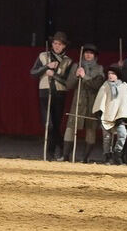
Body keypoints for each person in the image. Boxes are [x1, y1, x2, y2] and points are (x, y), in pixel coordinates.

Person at [30, 31, 75, 161]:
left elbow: (67, 81)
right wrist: (46, 67)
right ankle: (51, 152)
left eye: (60, 44)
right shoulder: (43, 56)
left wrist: (54, 75)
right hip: (45, 92)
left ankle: (59, 150)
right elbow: (33, 73)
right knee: (48, 124)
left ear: (64, 46)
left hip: (59, 94)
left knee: (56, 125)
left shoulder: (68, 61)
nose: (56, 46)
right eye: (55, 43)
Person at [63, 43, 105, 163]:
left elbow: (97, 86)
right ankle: (65, 157)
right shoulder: (77, 66)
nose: (88, 55)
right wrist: (76, 76)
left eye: (91, 53)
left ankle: (85, 158)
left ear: (95, 56)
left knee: (90, 130)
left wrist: (84, 76)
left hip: (92, 103)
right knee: (70, 128)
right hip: (78, 103)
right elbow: (68, 85)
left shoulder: (99, 68)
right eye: (86, 52)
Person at [92, 66, 127, 165]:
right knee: (107, 138)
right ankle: (107, 156)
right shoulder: (105, 85)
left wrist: (121, 116)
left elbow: (125, 102)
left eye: (113, 74)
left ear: (117, 76)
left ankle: (117, 154)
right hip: (107, 115)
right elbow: (100, 100)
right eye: (109, 73)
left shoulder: (123, 86)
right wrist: (100, 113)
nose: (110, 75)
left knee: (123, 134)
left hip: (118, 117)